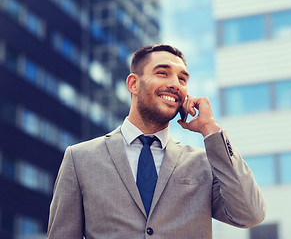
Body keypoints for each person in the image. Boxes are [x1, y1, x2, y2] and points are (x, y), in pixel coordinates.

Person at [47, 44, 266, 239]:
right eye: (162, 73)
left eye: (182, 79)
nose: (175, 84)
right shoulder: (80, 158)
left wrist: (211, 130)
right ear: (133, 83)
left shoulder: (204, 162)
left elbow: (249, 214)